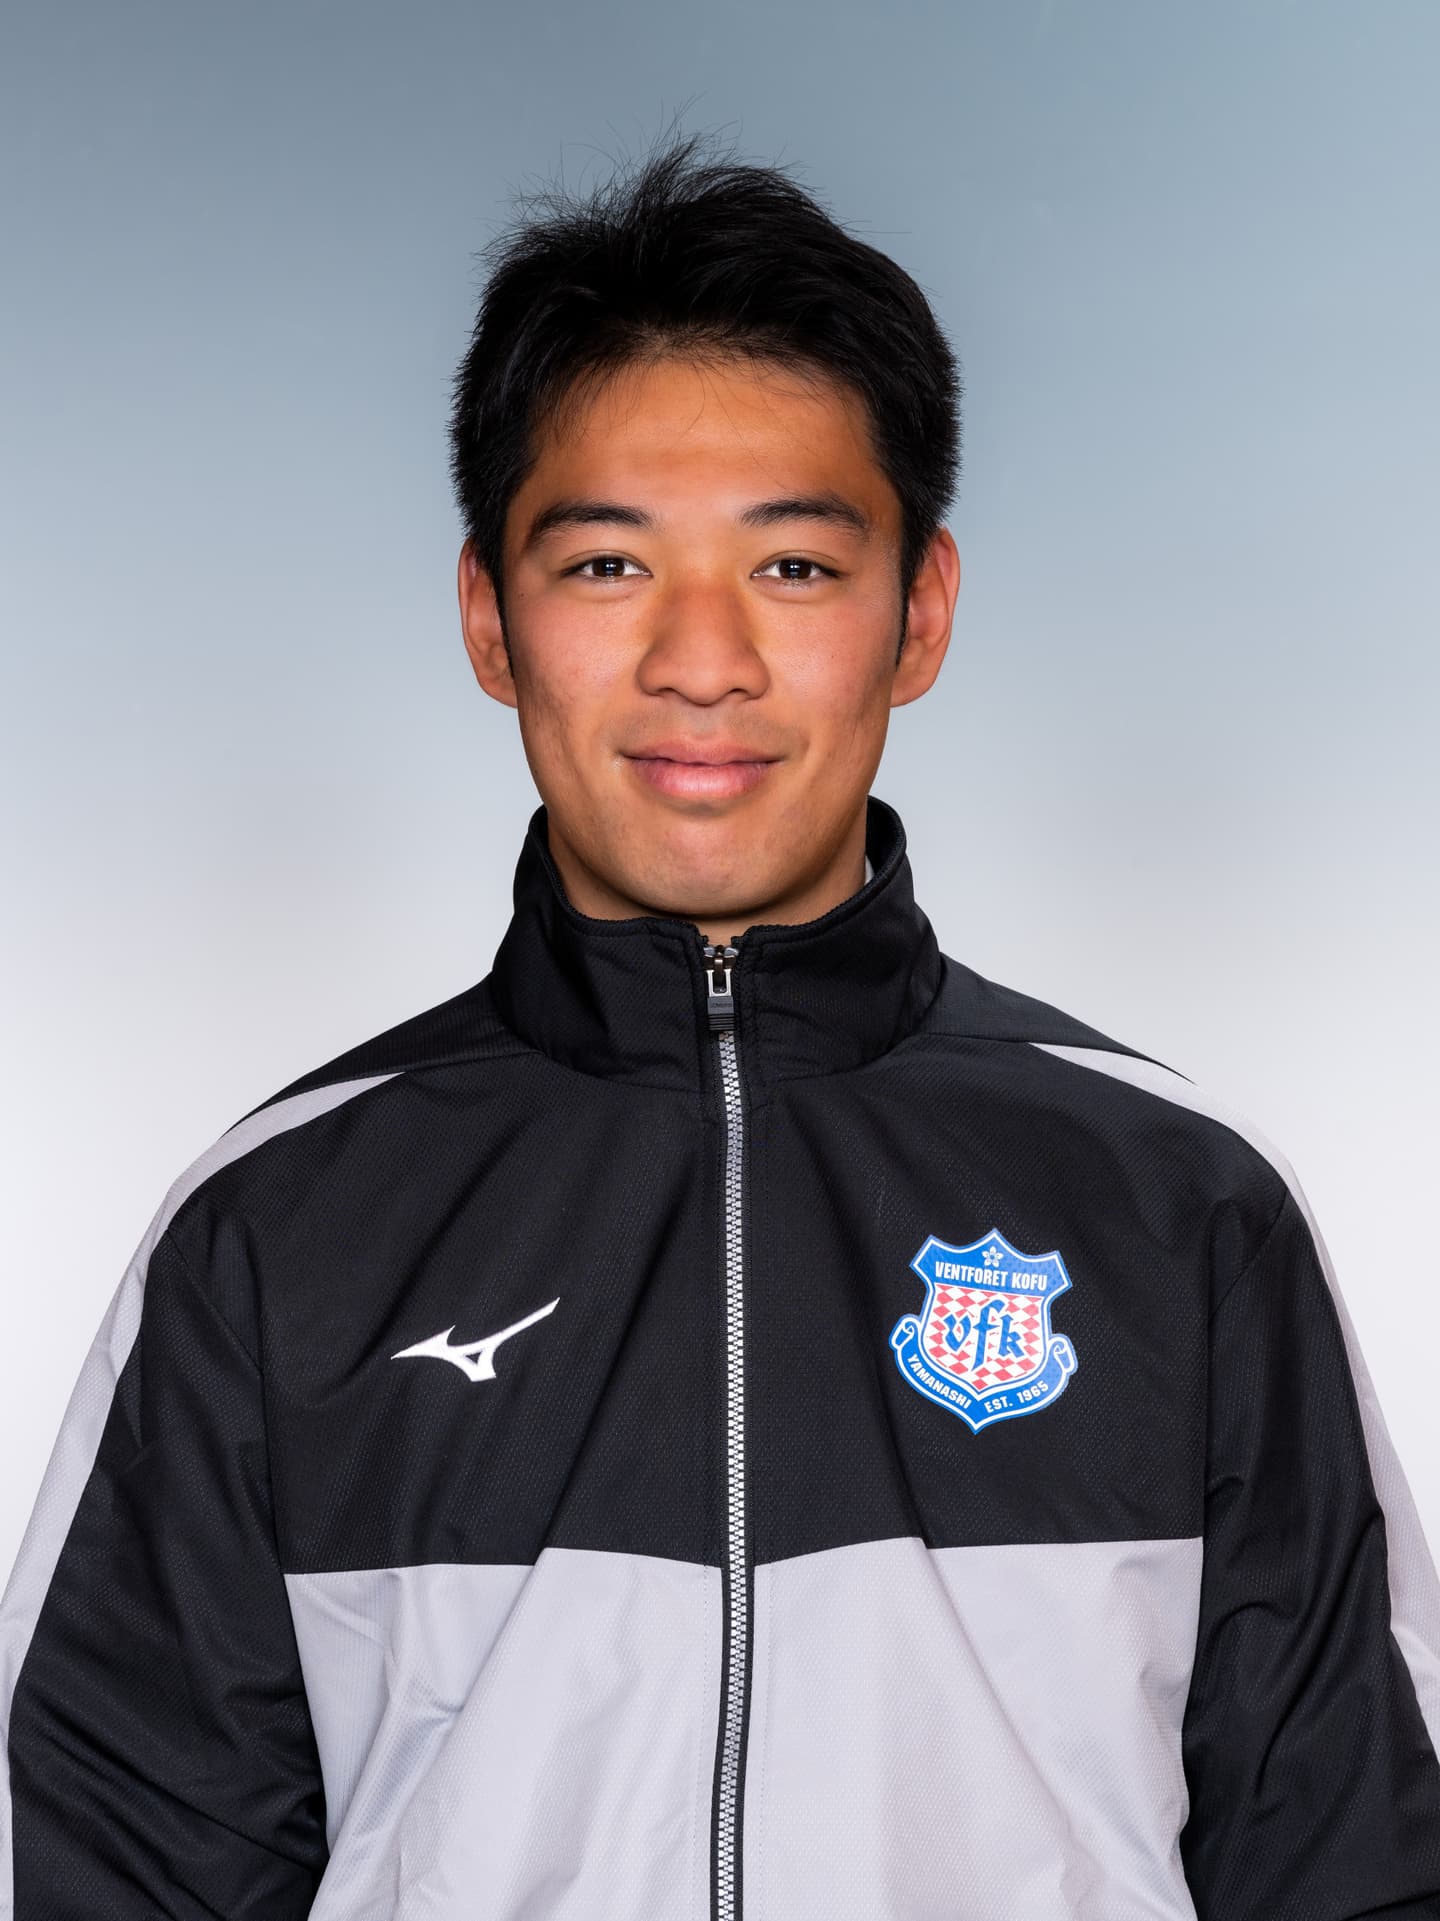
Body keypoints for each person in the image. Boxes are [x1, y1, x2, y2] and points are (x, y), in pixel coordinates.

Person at [2, 128, 1438, 1921]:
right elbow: (113, 1863)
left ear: (919, 612)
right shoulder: (275, 1232)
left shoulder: (1181, 1207)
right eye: (608, 566)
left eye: (795, 568)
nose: (703, 661)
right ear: (490, 618)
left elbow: (1356, 1857)